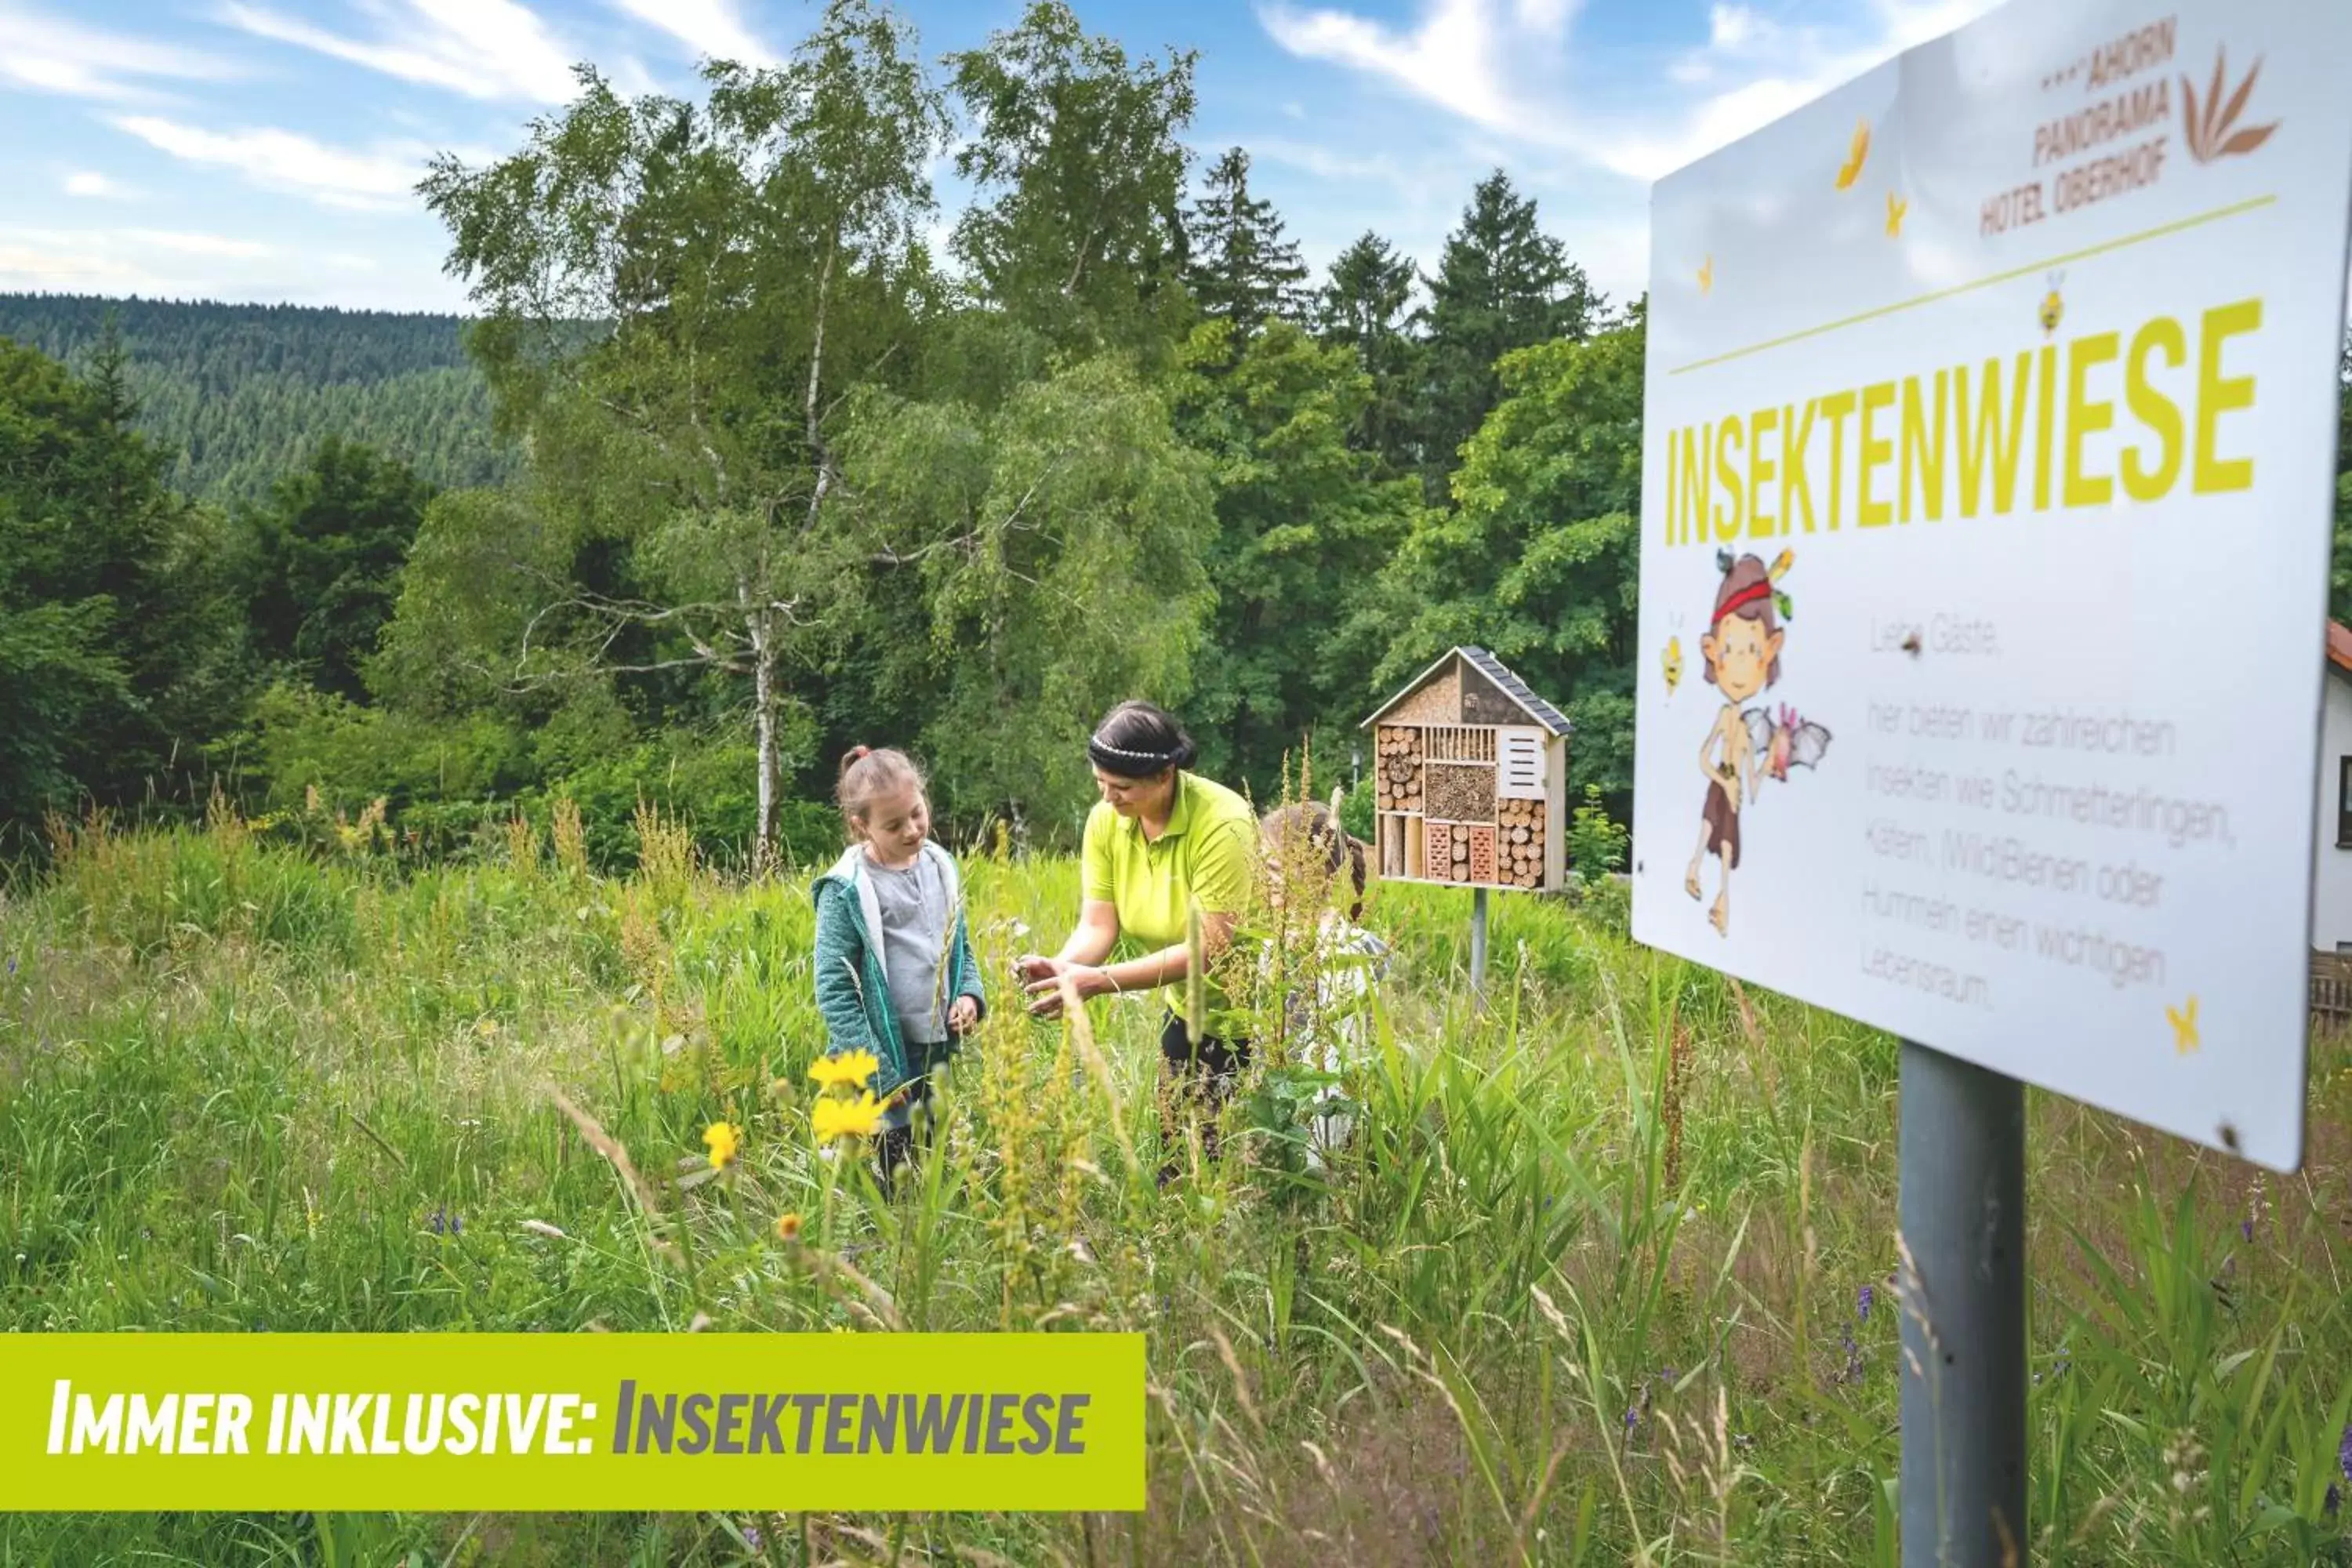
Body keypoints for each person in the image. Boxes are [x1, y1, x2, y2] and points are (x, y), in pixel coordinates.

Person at [1015, 702, 1256, 1181]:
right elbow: (1099, 926)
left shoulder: (1223, 822)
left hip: (1263, 1015)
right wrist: (1060, 968)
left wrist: (1100, 982)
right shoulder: (1108, 821)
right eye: (1099, 782)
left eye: (1121, 787)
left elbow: (1211, 948)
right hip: (1188, 1007)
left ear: (1166, 774)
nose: (1108, 799)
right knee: (1178, 1164)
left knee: (1244, 1165)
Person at [811, 746, 985, 1186]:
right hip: (885, 1050)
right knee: (897, 1152)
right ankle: (895, 1237)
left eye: (917, 813)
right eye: (893, 825)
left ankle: (942, 1222)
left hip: (936, 1041)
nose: (912, 830)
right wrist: (878, 1071)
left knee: (937, 1138)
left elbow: (960, 946)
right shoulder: (848, 889)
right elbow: (834, 986)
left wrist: (969, 996)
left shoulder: (939, 866)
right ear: (860, 827)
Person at [1258, 801, 1389, 1171]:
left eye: (1273, 868)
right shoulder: (1275, 946)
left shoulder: (1349, 950)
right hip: (1283, 1108)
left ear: (1317, 871)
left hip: (1325, 1114)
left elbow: (1343, 1051)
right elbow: (1263, 1036)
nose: (1264, 880)